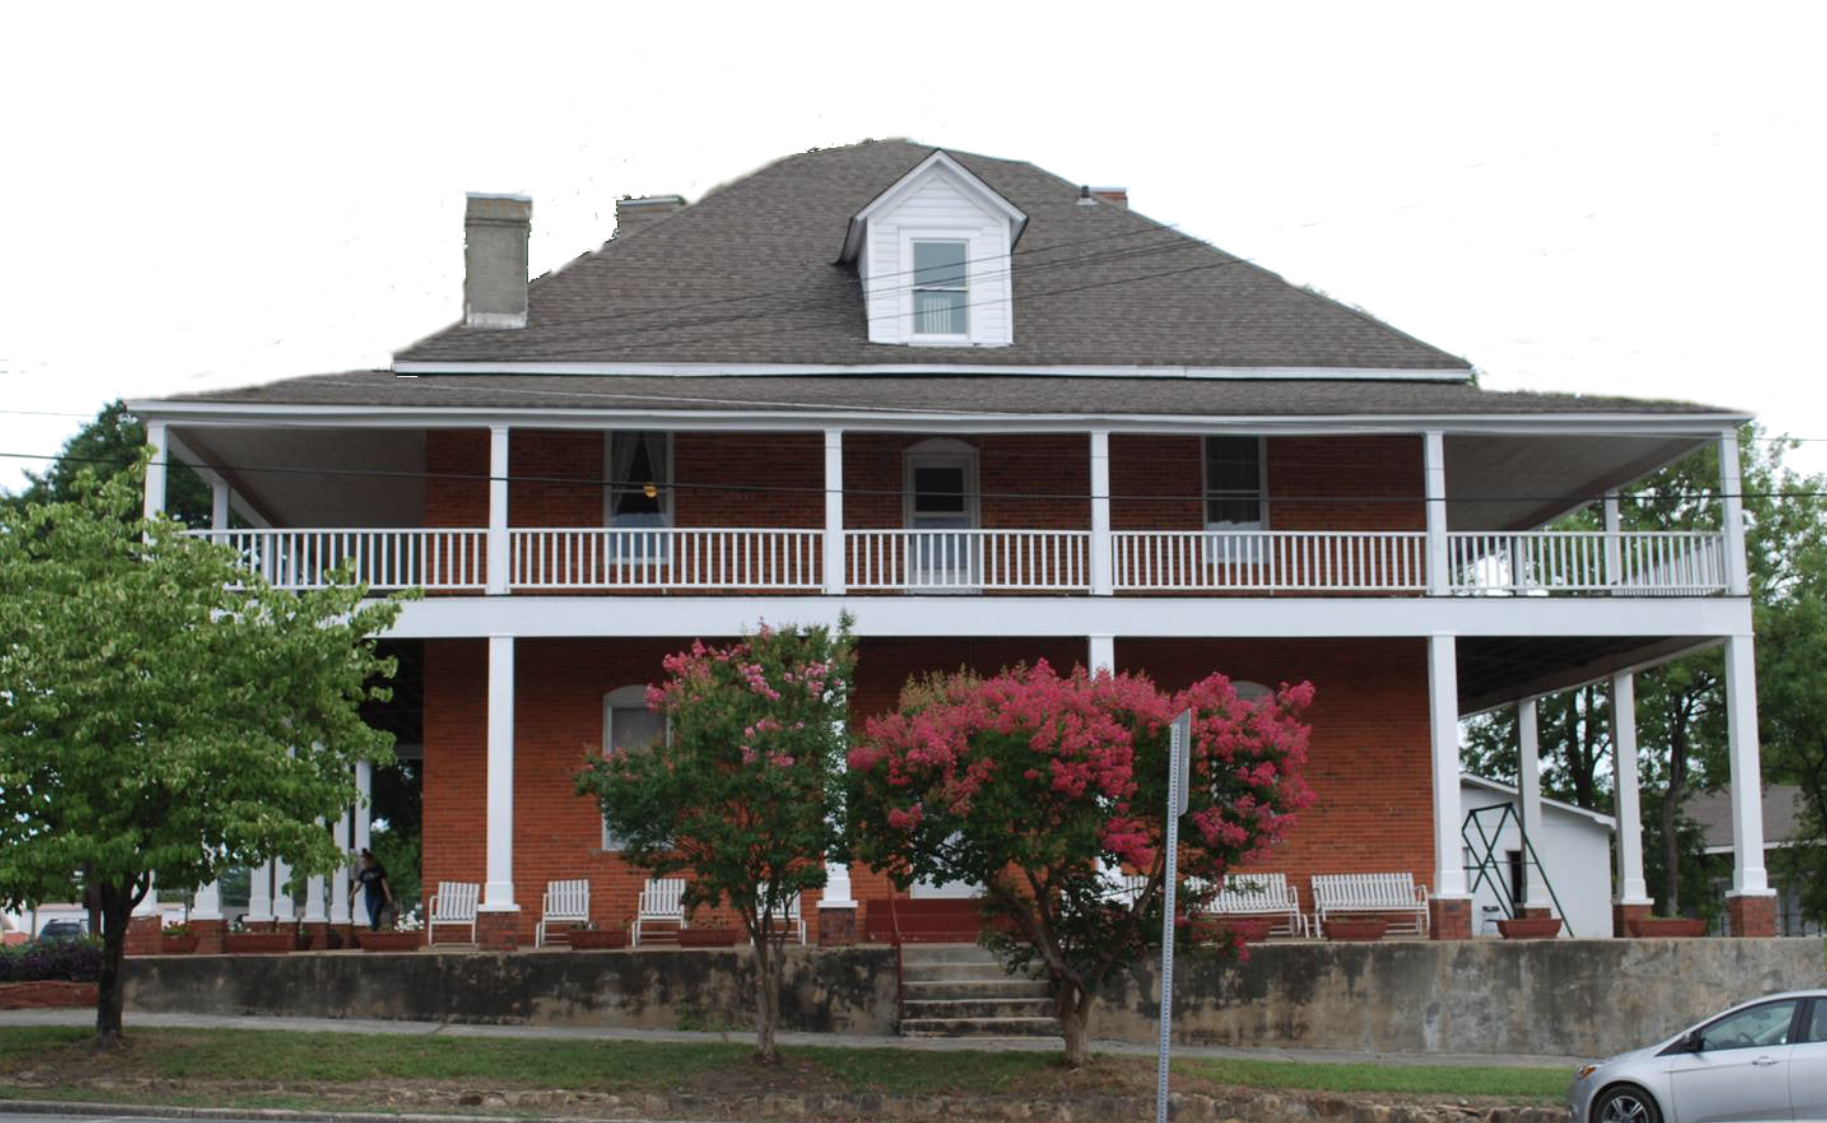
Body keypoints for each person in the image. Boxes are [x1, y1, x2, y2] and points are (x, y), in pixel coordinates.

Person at [350, 849, 394, 931]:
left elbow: (384, 884)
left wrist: (389, 896)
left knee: (374, 914)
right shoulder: (364, 872)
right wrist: (352, 894)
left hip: (379, 896)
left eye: (364, 862)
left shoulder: (379, 869)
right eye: (362, 862)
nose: (363, 864)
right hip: (369, 897)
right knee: (371, 915)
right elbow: (359, 885)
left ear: (370, 860)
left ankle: (373, 932)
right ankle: (376, 931)